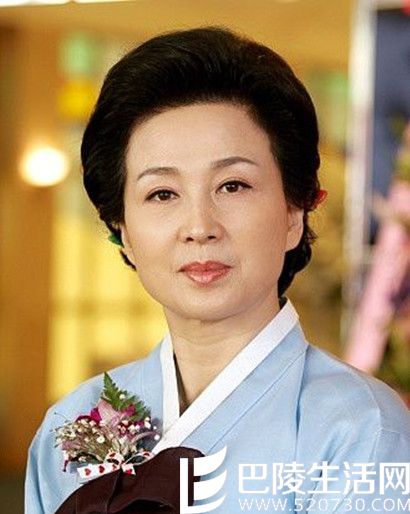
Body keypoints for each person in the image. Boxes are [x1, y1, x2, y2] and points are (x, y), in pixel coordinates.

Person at [25, 27, 410, 514]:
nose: (199, 227)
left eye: (233, 186)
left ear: (294, 213)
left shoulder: (361, 429)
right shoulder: (70, 428)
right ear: (122, 230)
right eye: (162, 193)